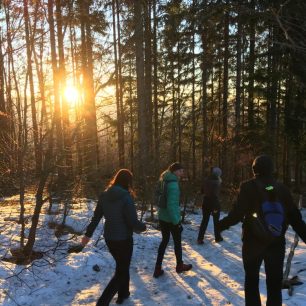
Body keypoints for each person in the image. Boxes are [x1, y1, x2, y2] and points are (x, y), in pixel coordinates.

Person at [218, 155, 306, 306]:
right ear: (272, 170)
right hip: (276, 243)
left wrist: (220, 226)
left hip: (252, 243)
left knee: (251, 282)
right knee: (274, 286)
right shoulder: (283, 189)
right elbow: (295, 218)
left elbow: (237, 213)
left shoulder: (247, 187)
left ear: (254, 170)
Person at [81, 169, 146, 306]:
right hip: (124, 239)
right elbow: (132, 222)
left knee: (122, 265)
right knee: (122, 270)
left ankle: (123, 293)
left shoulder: (104, 195)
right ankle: (103, 302)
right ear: (128, 182)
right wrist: (143, 227)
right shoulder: (126, 197)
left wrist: (88, 234)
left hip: (110, 238)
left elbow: (96, 217)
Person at [153, 162, 192, 278]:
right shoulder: (173, 184)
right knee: (177, 242)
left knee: (164, 241)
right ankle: (179, 265)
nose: (182, 173)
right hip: (171, 218)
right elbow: (172, 205)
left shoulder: (163, 179)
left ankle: (157, 268)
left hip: (162, 216)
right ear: (174, 171)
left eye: (182, 171)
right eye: (180, 171)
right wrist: (177, 222)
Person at [197, 167, 223, 244]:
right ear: (218, 174)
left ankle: (200, 238)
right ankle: (217, 237)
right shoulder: (217, 182)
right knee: (216, 221)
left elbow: (201, 191)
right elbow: (215, 195)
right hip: (214, 204)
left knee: (204, 220)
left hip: (205, 202)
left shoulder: (206, 180)